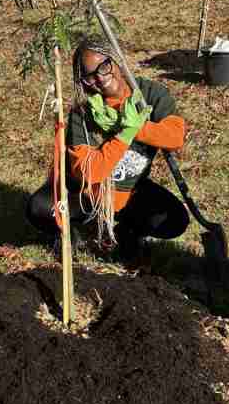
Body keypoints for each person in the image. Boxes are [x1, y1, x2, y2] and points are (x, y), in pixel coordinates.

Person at [26, 36, 189, 256]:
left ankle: (127, 232)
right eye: (89, 76)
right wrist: (125, 133)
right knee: (40, 208)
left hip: (129, 191)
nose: (100, 79)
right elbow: (89, 173)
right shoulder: (83, 112)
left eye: (104, 66)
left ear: (116, 60)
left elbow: (175, 136)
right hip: (84, 196)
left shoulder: (149, 95)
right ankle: (72, 233)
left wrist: (138, 128)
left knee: (174, 220)